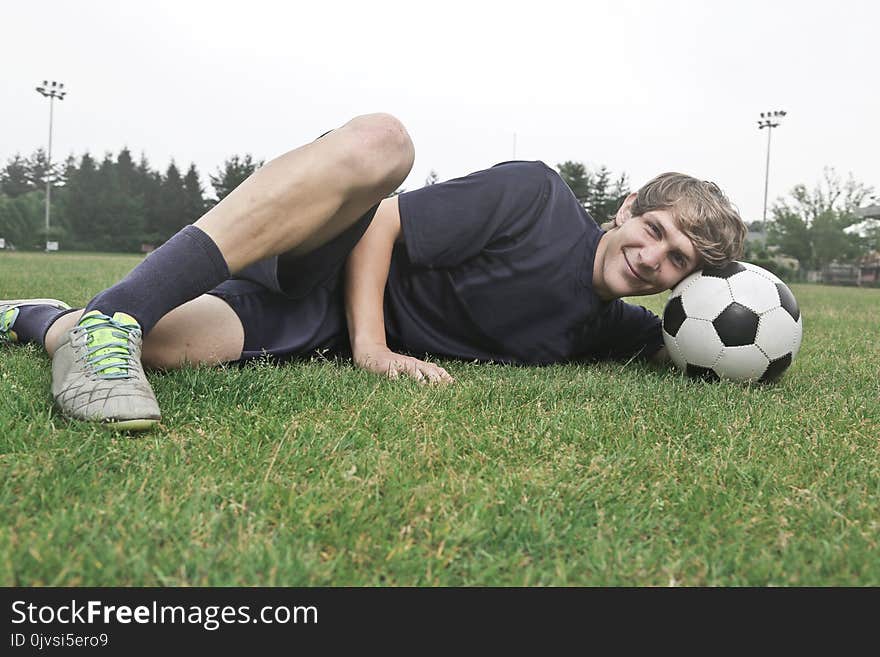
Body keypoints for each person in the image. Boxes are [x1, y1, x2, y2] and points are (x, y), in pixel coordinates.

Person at [0, 113, 747, 431]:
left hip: (310, 322)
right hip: (324, 253)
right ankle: (115, 312)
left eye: (677, 258)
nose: (652, 256)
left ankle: (31, 314)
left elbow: (692, 344)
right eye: (654, 229)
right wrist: (373, 347)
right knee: (383, 142)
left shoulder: (607, 326)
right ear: (625, 209)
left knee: (165, 350)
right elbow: (384, 218)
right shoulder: (538, 197)